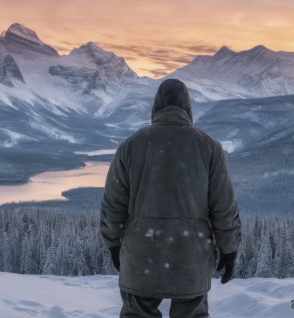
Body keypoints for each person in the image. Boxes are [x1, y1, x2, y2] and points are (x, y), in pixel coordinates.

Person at [100, 79, 241, 318]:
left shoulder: (131, 145)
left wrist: (113, 243)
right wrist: (229, 248)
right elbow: (224, 207)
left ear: (156, 107)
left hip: (141, 254)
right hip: (191, 256)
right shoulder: (209, 148)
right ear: (188, 108)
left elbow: (113, 204)